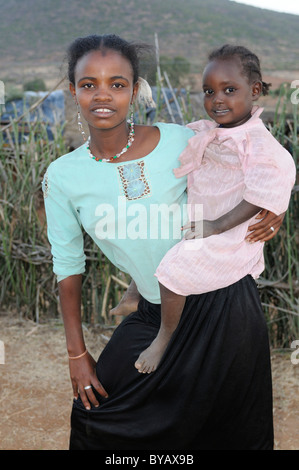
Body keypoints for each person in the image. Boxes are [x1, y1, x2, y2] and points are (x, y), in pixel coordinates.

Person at [42, 35, 286, 450]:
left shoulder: (181, 139)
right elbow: (67, 267)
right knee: (98, 415)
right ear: (73, 91)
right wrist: (76, 355)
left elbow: (250, 166)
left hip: (224, 306)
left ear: (135, 90)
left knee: (227, 432)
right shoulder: (62, 176)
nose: (103, 95)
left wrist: (274, 210)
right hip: (157, 309)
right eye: (89, 84)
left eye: (117, 84)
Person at [134, 44, 296, 374]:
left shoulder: (259, 145)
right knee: (150, 232)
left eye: (229, 90)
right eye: (209, 91)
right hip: (201, 220)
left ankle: (166, 336)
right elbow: (172, 137)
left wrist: (218, 225)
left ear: (254, 91)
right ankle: (134, 291)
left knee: (176, 268)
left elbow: (268, 184)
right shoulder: (208, 131)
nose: (217, 99)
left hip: (229, 233)